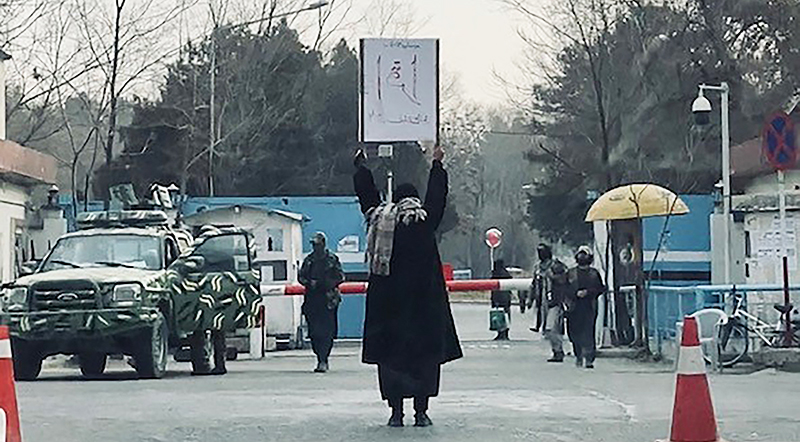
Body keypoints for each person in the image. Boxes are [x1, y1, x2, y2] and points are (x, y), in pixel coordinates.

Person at [353, 146, 462, 428]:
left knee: (392, 361)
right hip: (424, 310)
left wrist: (361, 168)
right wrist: (437, 166)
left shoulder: (380, 220)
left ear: (395, 199)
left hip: (389, 312)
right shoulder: (425, 222)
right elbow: (437, 197)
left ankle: (396, 412)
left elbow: (367, 197)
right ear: (415, 199)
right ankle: (421, 412)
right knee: (424, 361)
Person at [299, 232, 344, 373]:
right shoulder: (309, 260)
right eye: (313, 245)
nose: (315, 247)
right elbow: (301, 276)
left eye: (317, 244)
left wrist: (328, 283)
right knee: (314, 331)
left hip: (328, 299)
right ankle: (319, 355)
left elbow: (340, 276)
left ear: (323, 244)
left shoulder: (332, 259)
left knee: (327, 332)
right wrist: (309, 283)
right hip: (312, 299)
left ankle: (323, 359)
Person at [566, 245, 606, 369]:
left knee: (588, 332)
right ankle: (578, 354)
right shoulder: (571, 273)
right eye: (580, 254)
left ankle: (589, 358)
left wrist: (588, 292)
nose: (582, 256)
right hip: (573, 307)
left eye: (585, 254)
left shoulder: (594, 273)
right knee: (574, 332)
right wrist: (574, 294)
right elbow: (565, 289)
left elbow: (601, 288)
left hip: (589, 306)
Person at [542, 260, 570, 362]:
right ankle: (557, 350)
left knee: (551, 329)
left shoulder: (558, 282)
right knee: (553, 329)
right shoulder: (554, 281)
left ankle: (558, 350)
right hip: (553, 304)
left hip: (557, 305)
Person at [528, 243, 557, 333]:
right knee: (539, 310)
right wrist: (530, 298)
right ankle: (539, 325)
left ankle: (550, 328)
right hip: (539, 292)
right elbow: (533, 283)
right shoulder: (537, 267)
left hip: (552, 293)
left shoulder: (554, 265)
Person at [490, 259, 512, 340]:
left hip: (499, 297)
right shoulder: (506, 273)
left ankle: (501, 333)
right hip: (506, 298)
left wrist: (493, 299)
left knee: (499, 315)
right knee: (505, 315)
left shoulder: (496, 273)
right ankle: (505, 333)